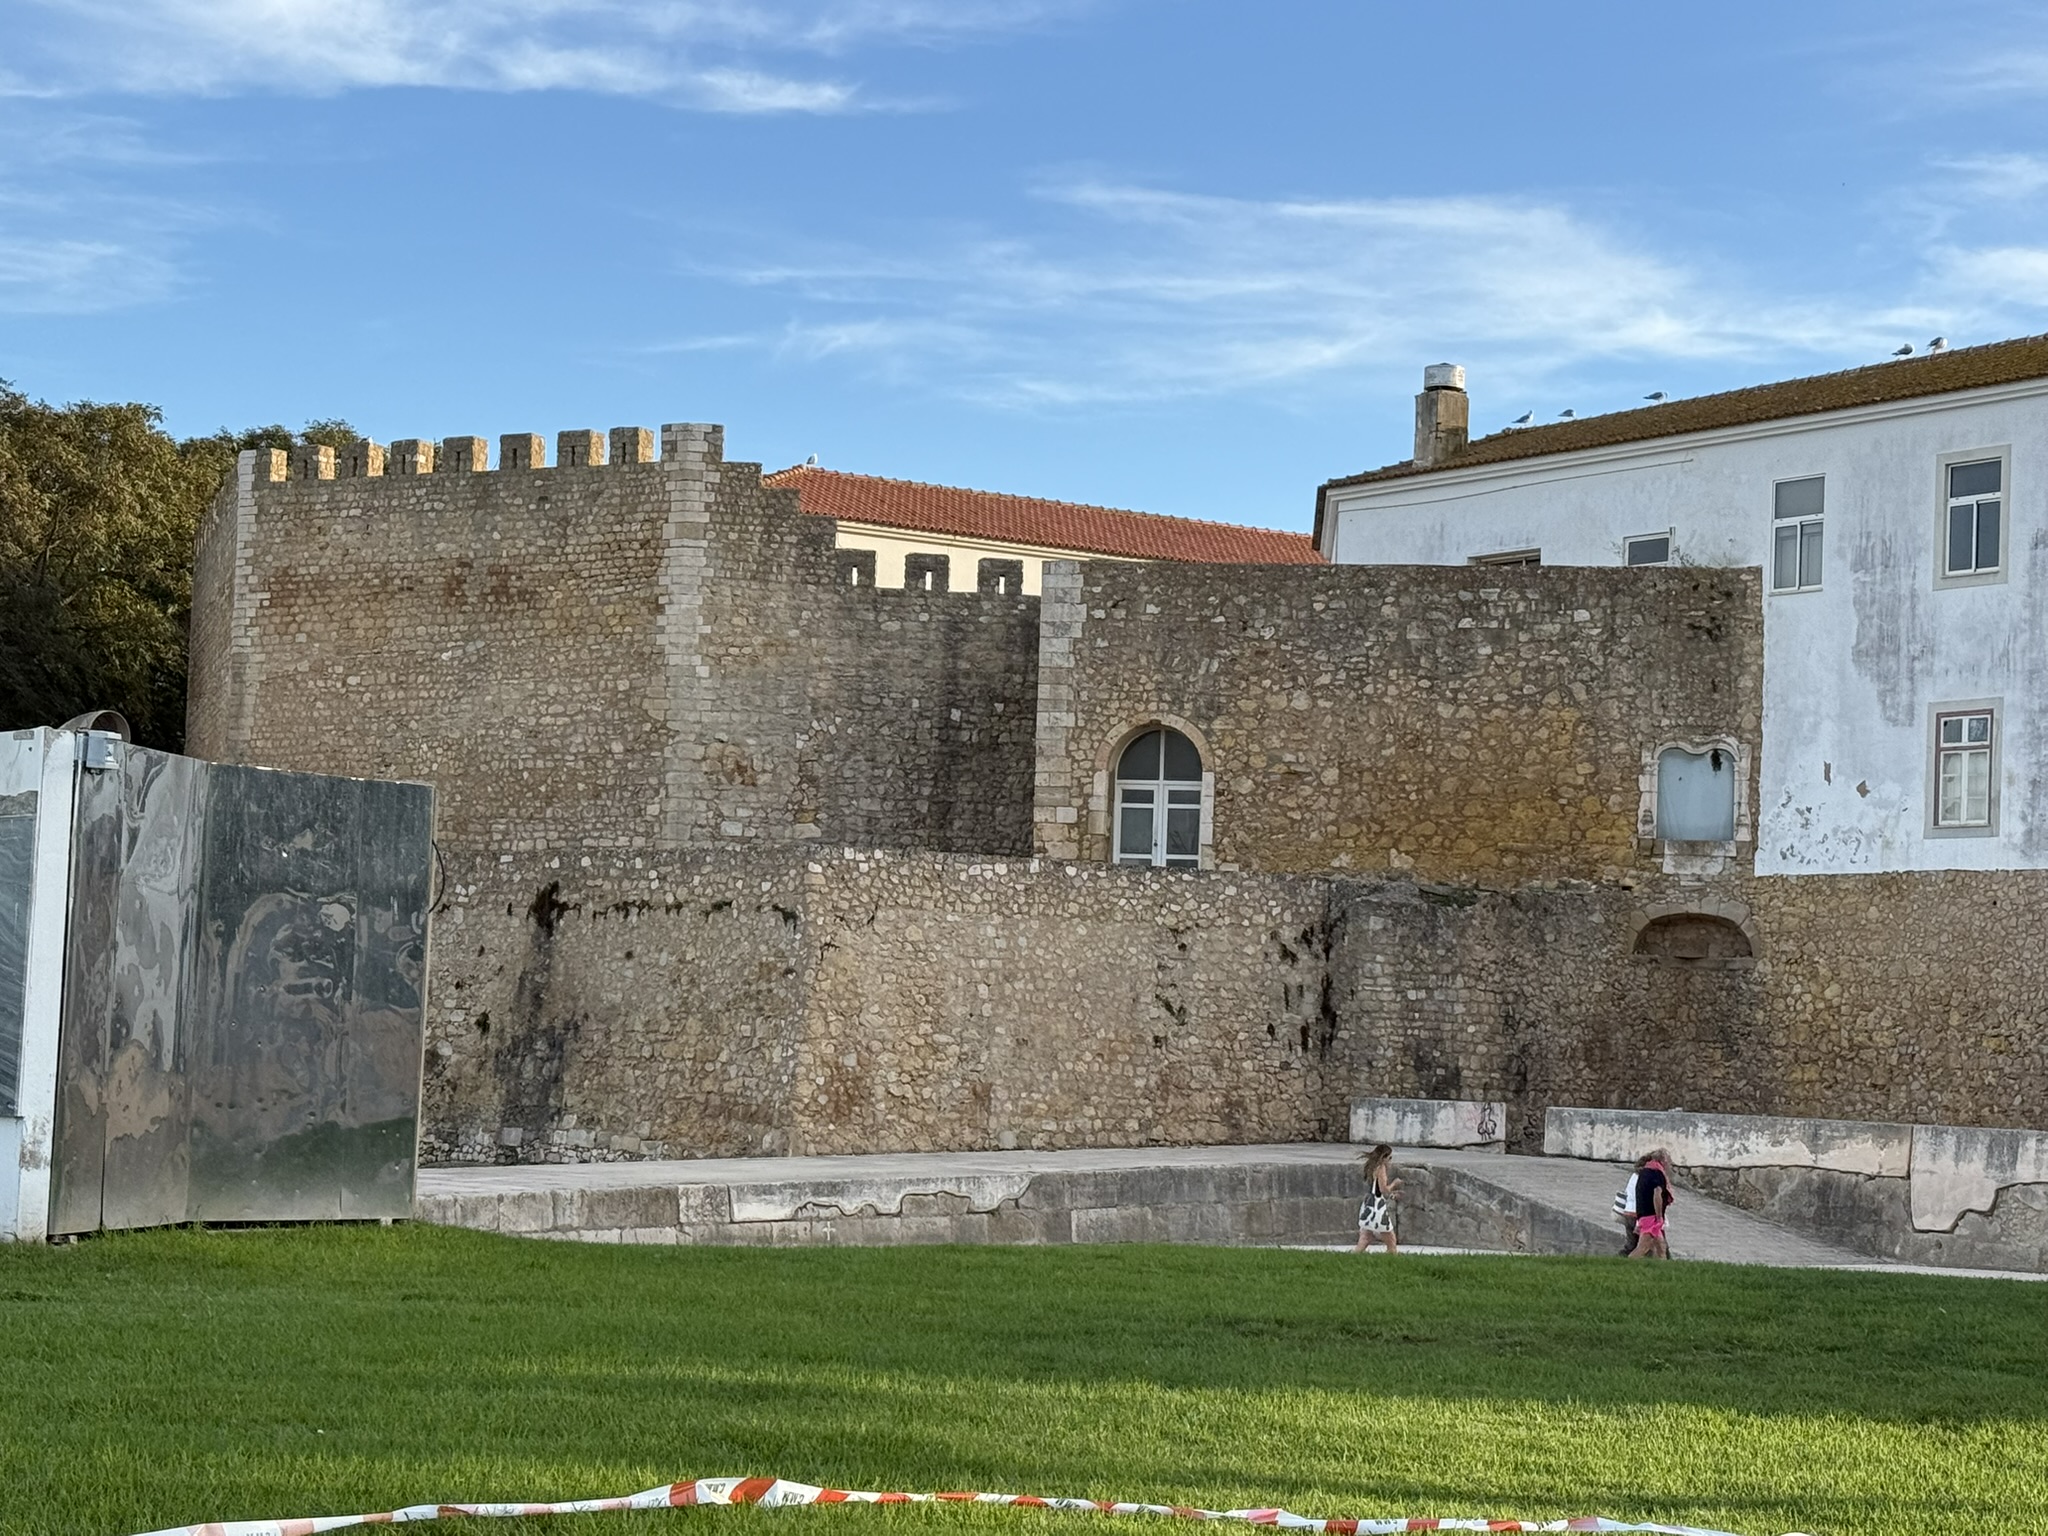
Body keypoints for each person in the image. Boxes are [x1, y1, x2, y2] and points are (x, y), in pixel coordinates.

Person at [1353, 1143, 1402, 1255]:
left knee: (1365, 1238)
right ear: (1384, 1157)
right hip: (1377, 1208)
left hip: (1369, 1205)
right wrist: (1395, 1183)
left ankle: (1353, 1257)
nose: (1390, 1160)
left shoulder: (1372, 1167)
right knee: (1391, 1240)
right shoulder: (1381, 1168)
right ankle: (1392, 1261)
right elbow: (1383, 1189)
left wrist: (1392, 1195)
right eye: (1389, 1157)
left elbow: (1376, 1190)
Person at [1628, 1148, 1674, 1259]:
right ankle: (1627, 1264)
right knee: (1643, 1247)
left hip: (1644, 1214)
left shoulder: (1645, 1172)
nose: (1670, 1164)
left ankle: (1664, 1270)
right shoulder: (1657, 1173)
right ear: (1663, 1160)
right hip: (1651, 1216)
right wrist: (1659, 1217)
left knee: (1661, 1248)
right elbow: (1657, 1195)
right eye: (1668, 1161)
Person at [1613, 1154, 1650, 1256]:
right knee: (1645, 1244)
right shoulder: (1645, 1178)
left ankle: (1622, 1258)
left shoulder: (1634, 1176)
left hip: (1628, 1212)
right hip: (1637, 1214)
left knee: (1631, 1243)